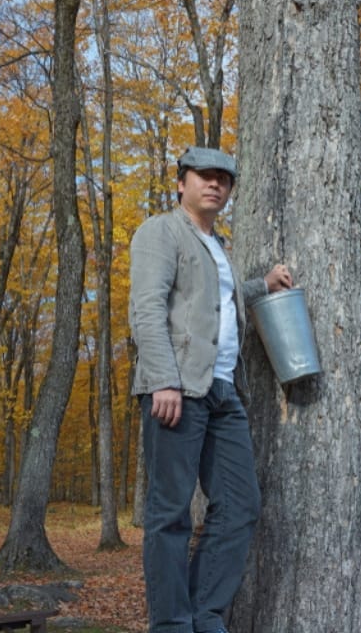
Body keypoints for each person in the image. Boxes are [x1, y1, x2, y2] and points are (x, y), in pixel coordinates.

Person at [128, 146, 292, 633]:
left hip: (223, 393)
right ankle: (173, 624)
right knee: (170, 513)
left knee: (241, 506)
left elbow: (218, 301)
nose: (215, 184)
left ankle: (205, 616)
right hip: (177, 389)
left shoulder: (217, 247)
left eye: (223, 178)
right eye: (204, 175)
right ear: (181, 183)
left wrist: (261, 285)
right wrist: (163, 380)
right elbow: (147, 310)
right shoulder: (159, 231)